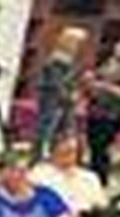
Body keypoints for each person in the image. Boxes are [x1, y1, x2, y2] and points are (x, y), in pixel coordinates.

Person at [84, 36, 120, 182]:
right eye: (118, 45)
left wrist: (107, 87)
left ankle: (100, 178)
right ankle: (92, 175)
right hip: (95, 109)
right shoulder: (106, 64)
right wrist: (90, 83)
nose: (118, 48)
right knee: (93, 146)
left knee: (101, 147)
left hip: (114, 113)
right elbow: (94, 85)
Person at [35, 27, 85, 161]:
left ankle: (56, 153)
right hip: (53, 98)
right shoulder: (58, 61)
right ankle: (41, 154)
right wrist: (69, 95)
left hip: (62, 100)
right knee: (48, 127)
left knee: (62, 128)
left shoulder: (68, 60)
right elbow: (57, 83)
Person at [30, 135, 105, 214]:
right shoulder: (38, 174)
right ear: (52, 151)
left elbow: (101, 207)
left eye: (71, 151)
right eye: (62, 151)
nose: (66, 154)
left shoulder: (90, 178)